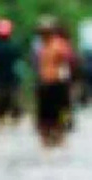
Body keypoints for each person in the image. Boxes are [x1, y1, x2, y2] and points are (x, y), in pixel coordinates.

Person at [35, 17, 74, 146]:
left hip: (58, 82)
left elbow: (68, 60)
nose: (44, 35)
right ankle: (46, 135)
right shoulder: (40, 46)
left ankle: (60, 133)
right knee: (45, 111)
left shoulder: (59, 45)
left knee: (61, 109)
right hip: (44, 82)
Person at [0, 18, 22, 123]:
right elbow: (18, 63)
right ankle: (15, 114)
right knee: (13, 99)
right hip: (12, 78)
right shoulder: (13, 47)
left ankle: (0, 115)